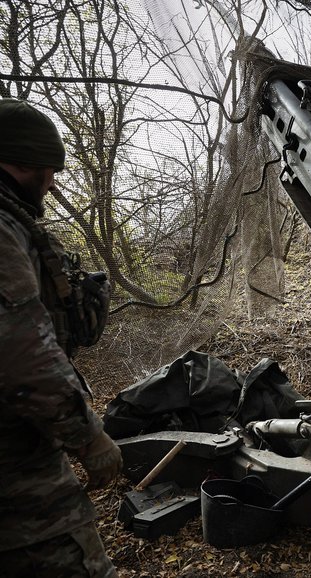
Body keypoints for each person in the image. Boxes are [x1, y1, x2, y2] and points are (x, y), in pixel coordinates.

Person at [0, 98, 122, 577]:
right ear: (21, 161)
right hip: (15, 468)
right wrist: (89, 439)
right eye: (49, 169)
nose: (52, 183)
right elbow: (20, 352)